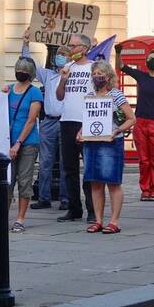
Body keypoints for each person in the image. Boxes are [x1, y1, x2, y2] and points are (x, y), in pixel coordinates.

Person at [80, 60, 135, 234]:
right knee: (95, 183)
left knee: (113, 183)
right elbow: (87, 119)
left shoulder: (116, 95)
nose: (97, 76)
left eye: (100, 73)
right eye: (95, 73)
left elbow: (131, 118)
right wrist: (81, 131)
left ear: (109, 76)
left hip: (111, 143)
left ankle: (114, 221)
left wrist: (117, 130)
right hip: (91, 143)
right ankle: (98, 220)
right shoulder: (90, 94)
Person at [115, 47, 154, 201]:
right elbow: (121, 66)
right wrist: (119, 52)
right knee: (144, 160)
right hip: (140, 122)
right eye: (149, 58)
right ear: (146, 63)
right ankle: (145, 190)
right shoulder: (141, 76)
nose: (152, 61)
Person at [22, 29, 70, 210]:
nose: (60, 57)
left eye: (63, 55)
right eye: (58, 55)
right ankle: (44, 197)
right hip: (48, 121)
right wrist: (26, 44)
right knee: (45, 161)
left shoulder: (72, 75)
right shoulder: (48, 75)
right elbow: (29, 64)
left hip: (65, 120)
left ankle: (66, 199)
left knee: (66, 162)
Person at [55, 34, 95, 223]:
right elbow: (59, 96)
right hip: (67, 121)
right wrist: (63, 79)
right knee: (69, 168)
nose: (70, 49)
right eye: (69, 46)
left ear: (84, 48)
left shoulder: (94, 67)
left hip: (86, 121)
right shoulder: (67, 67)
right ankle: (74, 208)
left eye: (73, 46)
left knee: (89, 168)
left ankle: (93, 209)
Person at [7, 57, 43, 233]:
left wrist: (18, 143)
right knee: (7, 181)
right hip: (8, 142)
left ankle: (20, 219)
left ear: (30, 74)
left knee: (24, 180)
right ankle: (2, 216)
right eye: (18, 68)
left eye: (24, 69)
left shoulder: (35, 93)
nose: (20, 71)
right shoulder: (9, 91)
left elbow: (30, 121)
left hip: (27, 143)